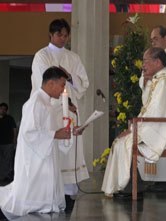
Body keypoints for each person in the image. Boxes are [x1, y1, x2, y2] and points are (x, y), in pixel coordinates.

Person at [0, 67, 84, 220]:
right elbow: (29, 133)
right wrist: (55, 134)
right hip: (35, 161)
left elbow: (48, 133)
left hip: (45, 157)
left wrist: (67, 133)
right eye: (62, 85)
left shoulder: (47, 104)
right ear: (51, 83)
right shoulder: (35, 102)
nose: (63, 89)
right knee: (30, 203)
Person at [102, 47, 166, 197]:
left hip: (162, 129)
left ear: (158, 62)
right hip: (153, 125)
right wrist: (146, 84)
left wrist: (134, 130)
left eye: (145, 61)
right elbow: (148, 105)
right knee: (121, 142)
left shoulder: (164, 82)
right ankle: (132, 185)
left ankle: (129, 187)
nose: (143, 65)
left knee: (124, 143)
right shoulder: (158, 79)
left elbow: (156, 113)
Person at [31, 18, 89, 198]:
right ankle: (49, 190)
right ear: (51, 34)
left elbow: (83, 83)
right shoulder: (42, 55)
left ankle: (69, 190)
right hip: (50, 109)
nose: (63, 38)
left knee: (69, 150)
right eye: (59, 34)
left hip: (69, 109)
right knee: (53, 147)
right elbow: (45, 83)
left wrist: (70, 77)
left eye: (66, 35)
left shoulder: (73, 57)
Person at [0, 102, 17, 184]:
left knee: (7, 160)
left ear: (6, 111)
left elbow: (14, 129)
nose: (2, 110)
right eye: (1, 109)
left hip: (8, 143)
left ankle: (5, 177)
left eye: (4, 109)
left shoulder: (9, 118)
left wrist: (14, 139)